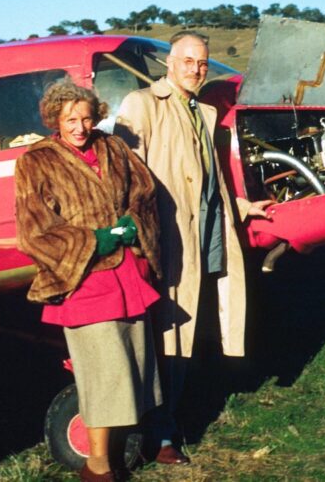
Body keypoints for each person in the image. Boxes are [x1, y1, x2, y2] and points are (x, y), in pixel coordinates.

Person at [114, 31, 273, 465]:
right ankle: (157, 436)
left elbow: (208, 180)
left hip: (204, 235)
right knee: (166, 335)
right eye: (188, 61)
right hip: (165, 240)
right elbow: (124, 179)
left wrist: (240, 206)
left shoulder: (203, 110)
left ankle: (165, 425)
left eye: (202, 63)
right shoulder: (142, 104)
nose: (197, 70)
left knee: (184, 334)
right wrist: (139, 238)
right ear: (170, 62)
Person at [14, 80, 164, 482]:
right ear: (54, 121)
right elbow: (34, 231)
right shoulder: (36, 162)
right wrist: (89, 241)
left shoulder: (112, 147)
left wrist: (133, 223)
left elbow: (144, 192)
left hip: (128, 275)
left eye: (85, 117)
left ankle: (118, 454)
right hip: (84, 279)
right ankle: (97, 467)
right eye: (69, 120)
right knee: (102, 373)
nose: (79, 127)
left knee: (131, 368)